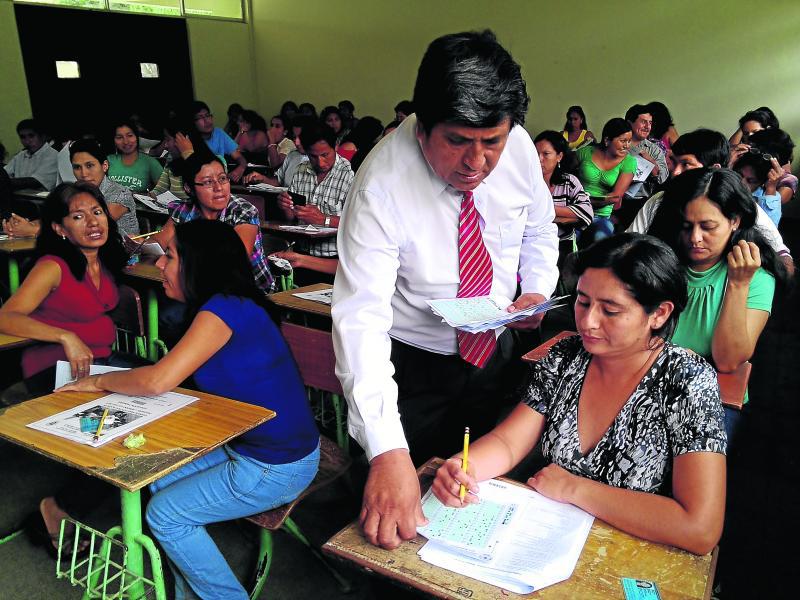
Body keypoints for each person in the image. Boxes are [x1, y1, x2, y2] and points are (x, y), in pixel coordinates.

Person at [332, 30, 558, 550]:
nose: (477, 162)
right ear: (421, 126)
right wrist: (388, 451)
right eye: (457, 141)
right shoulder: (380, 185)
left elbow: (540, 227)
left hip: (495, 350)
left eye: (491, 143)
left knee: (478, 494)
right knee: (393, 510)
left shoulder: (519, 146)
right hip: (413, 364)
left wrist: (536, 289)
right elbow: (361, 316)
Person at [59, 219, 320, 600]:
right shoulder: (224, 305)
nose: (160, 266)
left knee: (166, 515)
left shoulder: (224, 310)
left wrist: (97, 382)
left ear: (200, 263)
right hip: (251, 449)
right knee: (162, 478)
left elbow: (156, 381)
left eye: (171, 256)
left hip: (277, 467)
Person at [432, 233, 727, 556]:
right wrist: (466, 465)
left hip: (625, 552)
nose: (588, 322)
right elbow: (509, 441)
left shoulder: (686, 380)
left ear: (659, 314)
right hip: (543, 538)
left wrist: (576, 489)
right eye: (583, 301)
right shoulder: (566, 356)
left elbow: (700, 528)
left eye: (610, 311)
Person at [0, 182, 141, 556]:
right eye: (78, 217)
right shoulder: (53, 266)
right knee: (119, 431)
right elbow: (7, 317)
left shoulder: (106, 262)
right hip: (53, 370)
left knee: (159, 399)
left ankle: (142, 504)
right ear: (60, 229)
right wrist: (63, 335)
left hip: (99, 368)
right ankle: (56, 509)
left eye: (96, 212)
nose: (92, 222)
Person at [646, 168, 788, 443]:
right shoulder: (659, 261)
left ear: (734, 221)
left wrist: (737, 284)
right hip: (645, 378)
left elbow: (728, 361)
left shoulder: (756, 277)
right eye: (686, 226)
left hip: (713, 394)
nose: (695, 238)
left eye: (708, 227)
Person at [626, 129, 794, 273]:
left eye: (686, 164)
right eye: (674, 162)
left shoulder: (734, 202)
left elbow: (782, 255)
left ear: (713, 170)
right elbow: (630, 241)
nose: (676, 172)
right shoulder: (659, 200)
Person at [152, 152, 273, 295]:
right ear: (188, 188)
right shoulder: (184, 210)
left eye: (223, 178)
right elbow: (157, 244)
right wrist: (140, 243)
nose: (219, 187)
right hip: (197, 285)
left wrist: (177, 259)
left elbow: (235, 261)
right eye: (208, 182)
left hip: (247, 292)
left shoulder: (242, 211)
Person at [277, 123, 354, 262]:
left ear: (336, 146)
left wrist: (323, 219)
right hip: (301, 253)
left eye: (325, 155)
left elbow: (357, 224)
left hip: (334, 259)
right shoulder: (301, 170)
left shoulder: (350, 175)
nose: (320, 162)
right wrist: (286, 206)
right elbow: (291, 219)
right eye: (313, 156)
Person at [575, 118, 636, 242]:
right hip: (575, 212)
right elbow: (565, 175)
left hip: (601, 216)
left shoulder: (629, 162)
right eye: (623, 141)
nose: (627, 146)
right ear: (607, 140)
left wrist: (583, 201)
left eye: (629, 141)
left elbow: (615, 197)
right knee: (566, 240)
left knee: (600, 240)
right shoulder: (585, 153)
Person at [533, 130, 592, 259]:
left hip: (563, 245)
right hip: (530, 244)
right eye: (536, 153)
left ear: (559, 156)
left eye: (546, 154)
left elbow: (587, 213)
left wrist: (543, 211)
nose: (539, 159)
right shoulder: (526, 182)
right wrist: (565, 217)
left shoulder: (569, 182)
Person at [70, 139, 140, 237]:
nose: (84, 174)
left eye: (89, 165)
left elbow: (94, 225)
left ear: (104, 166)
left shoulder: (120, 194)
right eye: (77, 167)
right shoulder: (74, 191)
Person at [189, 101, 248, 183]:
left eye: (207, 115)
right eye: (201, 117)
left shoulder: (219, 133)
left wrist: (241, 167)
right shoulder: (189, 141)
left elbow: (239, 157)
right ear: (193, 122)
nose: (207, 120)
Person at [622, 104, 668, 207]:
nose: (647, 127)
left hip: (642, 202)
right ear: (629, 123)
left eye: (650, 123)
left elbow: (662, 179)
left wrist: (649, 160)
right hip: (613, 198)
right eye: (643, 122)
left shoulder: (654, 149)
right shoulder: (616, 144)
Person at [106, 120, 164, 193]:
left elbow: (165, 193)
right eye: (119, 137)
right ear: (114, 140)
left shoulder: (150, 162)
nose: (126, 142)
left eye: (130, 136)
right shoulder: (108, 160)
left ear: (137, 137)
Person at [4, 119, 59, 191]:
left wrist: (4, 181)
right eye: (23, 137)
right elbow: (5, 173)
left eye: (31, 136)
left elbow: (35, 182)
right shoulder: (20, 155)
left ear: (42, 136)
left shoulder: (53, 155)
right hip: (20, 198)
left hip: (41, 201)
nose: (27, 141)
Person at [733, 150, 784, 226]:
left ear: (762, 183)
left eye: (750, 181)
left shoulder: (770, 197)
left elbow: (768, 232)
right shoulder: (728, 180)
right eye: (739, 175)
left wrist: (770, 189)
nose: (741, 183)